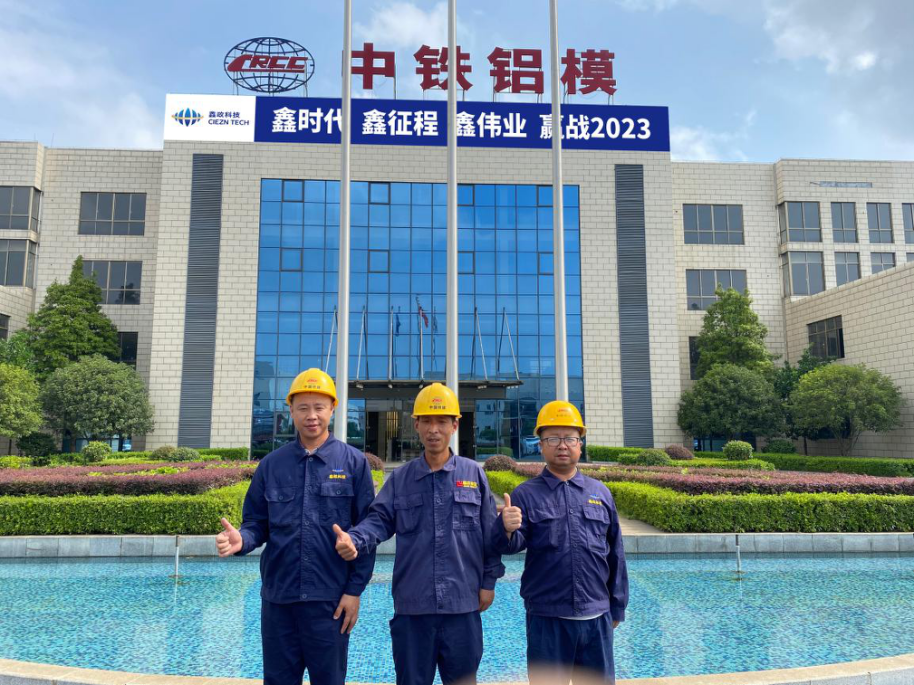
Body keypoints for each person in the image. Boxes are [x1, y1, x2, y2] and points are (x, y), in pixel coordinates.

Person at [332, 382, 505, 685]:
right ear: (416, 425)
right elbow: (379, 521)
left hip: (462, 606)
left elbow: (489, 534)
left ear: (455, 425)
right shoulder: (401, 478)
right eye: (426, 421)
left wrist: (488, 582)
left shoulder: (473, 474)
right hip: (413, 608)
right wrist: (355, 539)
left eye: (442, 421)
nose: (433, 429)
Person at [215, 368, 376, 685]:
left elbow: (367, 531)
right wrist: (242, 540)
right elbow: (256, 524)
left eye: (319, 407)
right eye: (303, 407)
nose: (311, 415)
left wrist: (354, 591)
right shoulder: (271, 465)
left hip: (330, 602)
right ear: (290, 410)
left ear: (332, 408)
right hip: (280, 601)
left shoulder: (354, 463)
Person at [494, 400, 628, 685]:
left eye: (570, 438)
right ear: (541, 445)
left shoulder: (600, 493)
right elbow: (511, 545)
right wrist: (505, 528)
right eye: (553, 438)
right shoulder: (526, 494)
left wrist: (617, 606)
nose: (562, 445)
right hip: (547, 617)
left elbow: (615, 553)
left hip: (596, 617)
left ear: (580, 444)